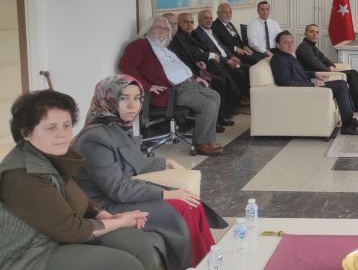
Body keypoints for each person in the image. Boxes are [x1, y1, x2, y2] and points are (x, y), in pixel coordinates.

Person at [0, 90, 159, 270]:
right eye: (51, 128)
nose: (62, 134)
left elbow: (78, 198)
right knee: (124, 264)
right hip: (28, 255)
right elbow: (71, 230)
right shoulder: (22, 175)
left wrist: (108, 216)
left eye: (66, 125)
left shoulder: (54, 155)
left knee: (137, 242)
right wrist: (120, 222)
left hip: (55, 236)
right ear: (26, 133)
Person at [73, 75, 215, 268]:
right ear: (109, 98)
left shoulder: (116, 126)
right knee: (184, 206)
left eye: (137, 98)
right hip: (106, 207)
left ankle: (210, 261)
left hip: (122, 197)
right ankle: (196, 264)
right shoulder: (94, 138)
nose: (133, 105)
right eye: (124, 98)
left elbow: (136, 161)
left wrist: (167, 162)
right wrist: (165, 194)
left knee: (192, 203)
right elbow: (118, 189)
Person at [118, 16, 223, 156]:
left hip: (188, 83)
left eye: (165, 29)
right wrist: (147, 86)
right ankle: (201, 144)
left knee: (215, 96)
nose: (162, 31)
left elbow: (178, 66)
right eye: (158, 27)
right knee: (207, 105)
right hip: (172, 91)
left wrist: (195, 77)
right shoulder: (140, 45)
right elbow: (125, 66)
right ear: (148, 29)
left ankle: (208, 139)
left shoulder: (163, 47)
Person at [270, 30, 358, 135]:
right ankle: (347, 125)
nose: (290, 45)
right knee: (340, 86)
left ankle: (349, 120)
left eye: (291, 42)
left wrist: (315, 74)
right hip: (302, 91)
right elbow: (286, 82)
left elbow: (301, 73)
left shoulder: (288, 56)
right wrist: (312, 84)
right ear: (278, 45)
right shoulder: (278, 59)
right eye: (285, 43)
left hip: (307, 87)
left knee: (342, 83)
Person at [170, 12, 239, 129]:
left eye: (191, 22)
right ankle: (216, 120)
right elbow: (186, 56)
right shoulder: (178, 37)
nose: (189, 25)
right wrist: (205, 58)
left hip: (199, 66)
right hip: (190, 73)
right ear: (179, 23)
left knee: (223, 76)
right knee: (219, 81)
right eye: (185, 22)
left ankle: (221, 116)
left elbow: (199, 50)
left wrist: (202, 59)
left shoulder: (188, 35)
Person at [296, 23, 358, 113]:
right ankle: (357, 104)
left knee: (353, 73)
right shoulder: (304, 47)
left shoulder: (311, 45)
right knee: (352, 74)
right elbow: (316, 64)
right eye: (311, 32)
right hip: (316, 75)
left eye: (317, 32)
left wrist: (331, 65)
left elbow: (324, 58)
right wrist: (329, 70)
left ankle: (357, 103)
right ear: (305, 33)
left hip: (322, 71)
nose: (315, 34)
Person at [194, 9, 250, 99]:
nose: (209, 20)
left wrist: (232, 56)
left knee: (248, 68)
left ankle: (246, 95)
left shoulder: (211, 31)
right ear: (199, 20)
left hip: (228, 59)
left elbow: (222, 46)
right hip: (220, 64)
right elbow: (210, 51)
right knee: (239, 73)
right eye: (206, 18)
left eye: (210, 18)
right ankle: (239, 98)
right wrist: (227, 61)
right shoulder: (197, 34)